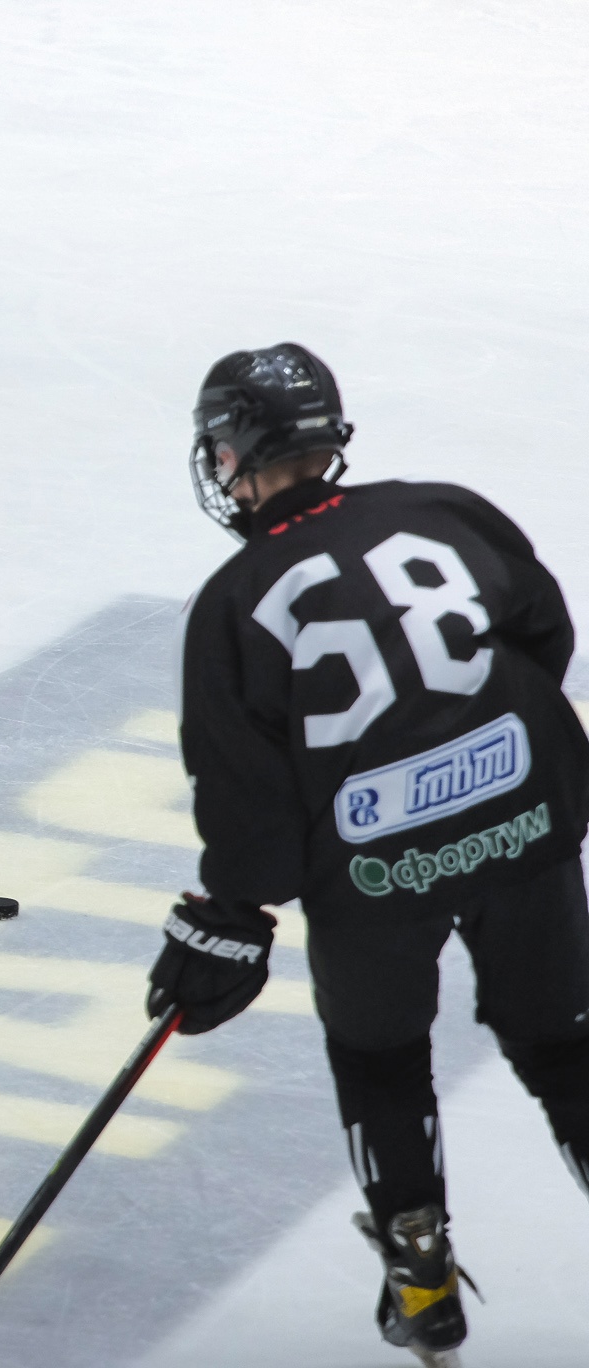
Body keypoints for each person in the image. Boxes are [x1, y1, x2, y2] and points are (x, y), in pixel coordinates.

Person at [152, 342, 589, 1368]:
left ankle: (420, 1280)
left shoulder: (234, 601)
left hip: (370, 867)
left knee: (380, 1058)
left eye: (220, 449)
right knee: (567, 1046)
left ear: (240, 454)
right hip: (525, 813)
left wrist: (232, 915)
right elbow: (542, 632)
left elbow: (248, 805)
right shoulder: (444, 510)